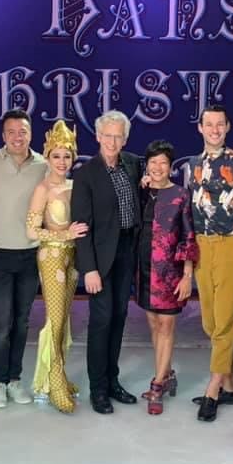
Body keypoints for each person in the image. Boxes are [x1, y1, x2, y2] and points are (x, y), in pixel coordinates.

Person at [188, 104, 233, 422]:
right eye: (209, 124)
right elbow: (191, 211)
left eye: (220, 124)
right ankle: (231, 384)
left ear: (228, 127)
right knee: (210, 322)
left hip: (232, 244)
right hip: (203, 245)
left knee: (227, 319)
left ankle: (213, 387)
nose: (215, 129)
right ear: (200, 128)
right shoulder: (193, 166)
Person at [71, 110, 142, 414]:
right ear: (98, 136)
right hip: (100, 256)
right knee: (101, 321)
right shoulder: (86, 174)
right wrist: (88, 268)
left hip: (127, 250)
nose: (113, 141)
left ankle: (113, 381)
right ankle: (98, 389)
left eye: (118, 136)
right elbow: (81, 225)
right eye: (107, 135)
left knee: (119, 317)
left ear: (125, 139)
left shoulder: (133, 165)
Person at [0, 110, 47, 408]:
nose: (18, 137)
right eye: (11, 132)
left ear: (30, 134)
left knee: (21, 320)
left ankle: (15, 379)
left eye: (23, 131)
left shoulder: (44, 165)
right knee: (1, 320)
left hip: (30, 253)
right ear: (3, 135)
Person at [26, 121, 89, 413]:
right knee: (55, 320)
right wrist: (64, 235)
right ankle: (52, 381)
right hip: (51, 256)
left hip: (71, 258)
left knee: (65, 320)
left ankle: (58, 374)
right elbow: (31, 231)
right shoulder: (43, 188)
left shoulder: (76, 186)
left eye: (67, 156)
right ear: (47, 156)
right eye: (56, 156)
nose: (62, 161)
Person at [135, 140, 198, 415]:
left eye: (163, 163)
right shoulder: (143, 193)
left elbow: (188, 238)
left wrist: (187, 276)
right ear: (147, 166)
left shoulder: (180, 195)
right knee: (153, 325)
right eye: (153, 163)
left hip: (170, 273)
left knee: (166, 327)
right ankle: (167, 373)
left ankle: (158, 383)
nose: (158, 167)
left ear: (170, 167)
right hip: (144, 270)